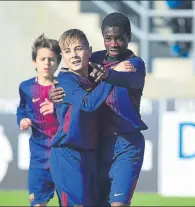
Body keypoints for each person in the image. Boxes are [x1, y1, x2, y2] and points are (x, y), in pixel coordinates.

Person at [49, 12, 147, 207]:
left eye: (119, 38)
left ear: (129, 37)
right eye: (108, 38)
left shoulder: (134, 64)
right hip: (98, 146)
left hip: (126, 143)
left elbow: (124, 79)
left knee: (117, 204)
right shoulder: (95, 58)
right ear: (102, 38)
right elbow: (71, 67)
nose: (113, 43)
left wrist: (110, 74)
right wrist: (54, 90)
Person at [49, 29, 114, 206]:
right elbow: (87, 104)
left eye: (78, 48)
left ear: (90, 51)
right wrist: (111, 79)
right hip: (67, 153)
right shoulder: (66, 80)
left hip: (90, 155)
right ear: (63, 55)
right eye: (67, 51)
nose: (74, 55)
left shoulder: (92, 78)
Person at [16, 34, 61, 207]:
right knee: (37, 204)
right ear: (35, 62)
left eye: (51, 59)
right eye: (42, 59)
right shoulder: (26, 87)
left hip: (64, 156)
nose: (47, 63)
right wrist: (22, 119)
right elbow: (21, 108)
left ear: (58, 62)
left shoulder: (66, 85)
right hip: (39, 159)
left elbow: (77, 112)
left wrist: (57, 108)